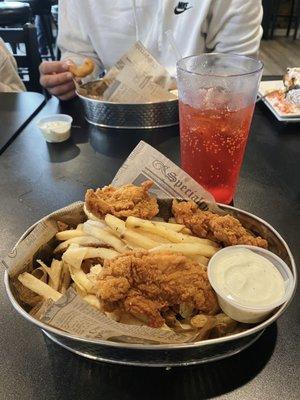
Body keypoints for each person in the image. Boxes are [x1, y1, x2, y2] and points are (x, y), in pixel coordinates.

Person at [40, 0, 263, 100]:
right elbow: (81, 53)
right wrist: (68, 73)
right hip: (111, 114)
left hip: (198, 114)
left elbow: (238, 70)